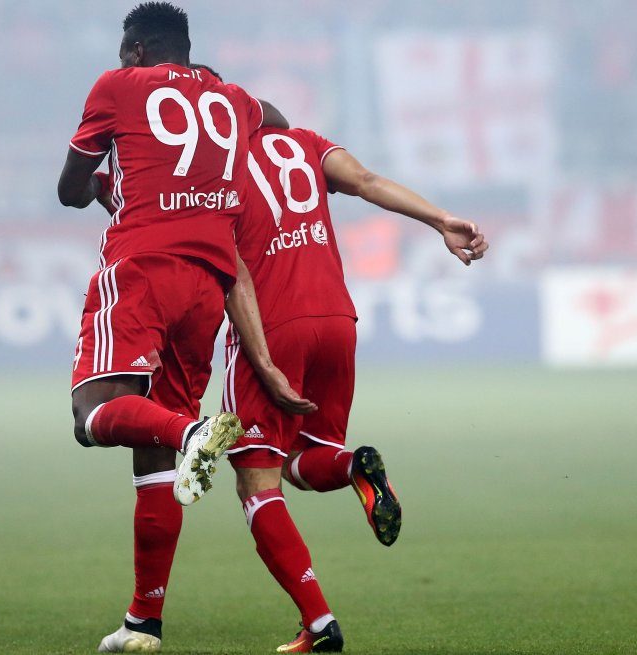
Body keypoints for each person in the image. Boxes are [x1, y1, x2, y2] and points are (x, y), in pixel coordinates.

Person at [204, 66, 490, 655]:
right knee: (306, 457)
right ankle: (357, 468)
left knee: (256, 480)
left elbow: (232, 271)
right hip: (337, 319)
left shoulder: (213, 172)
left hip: (272, 326)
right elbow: (365, 179)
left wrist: (261, 358)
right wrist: (440, 219)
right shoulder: (304, 144)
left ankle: (318, 624)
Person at [55, 5, 293, 653]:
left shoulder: (118, 85)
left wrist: (101, 184)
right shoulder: (233, 98)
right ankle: (143, 622)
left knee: (91, 414)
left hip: (142, 268)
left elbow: (69, 189)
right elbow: (276, 118)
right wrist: (209, 89)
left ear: (135, 51)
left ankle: (192, 432)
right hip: (209, 283)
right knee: (153, 451)